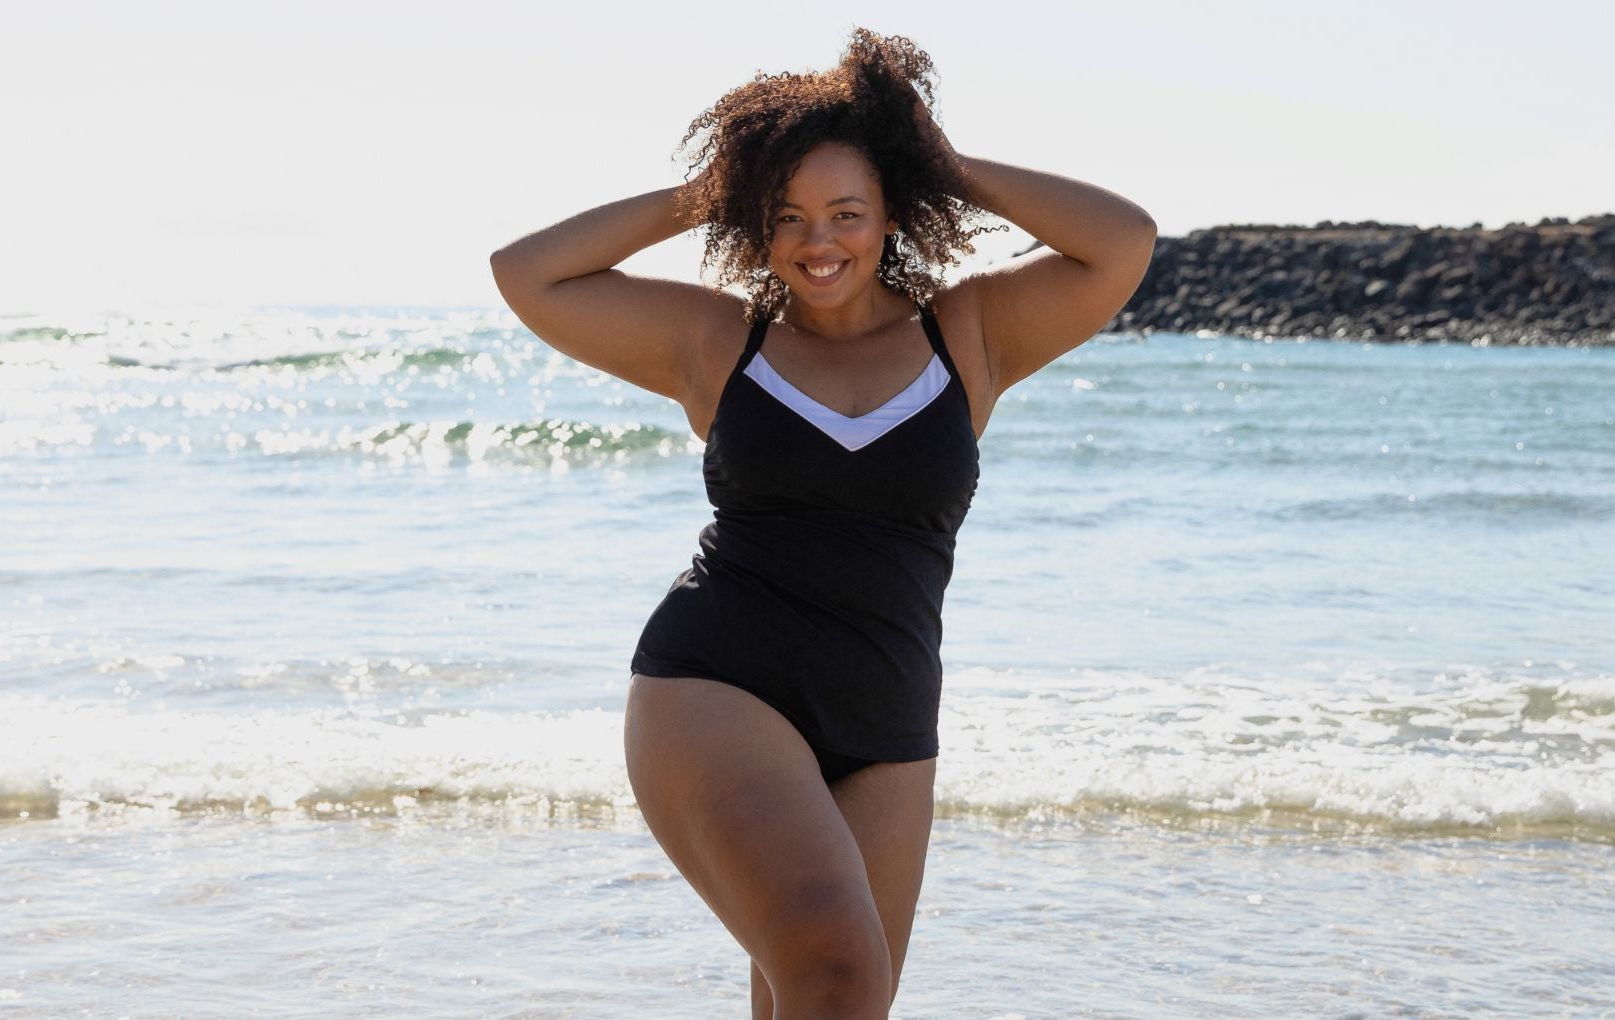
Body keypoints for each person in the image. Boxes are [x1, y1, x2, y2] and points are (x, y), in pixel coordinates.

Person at [488, 29, 1152, 1019]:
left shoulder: (967, 334)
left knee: (833, 998)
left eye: (846, 212)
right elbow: (527, 272)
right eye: (787, 216)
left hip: (885, 722)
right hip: (719, 684)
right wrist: (710, 189)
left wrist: (944, 164)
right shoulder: (716, 341)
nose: (818, 242)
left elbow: (1122, 241)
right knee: (833, 973)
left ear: (893, 215)